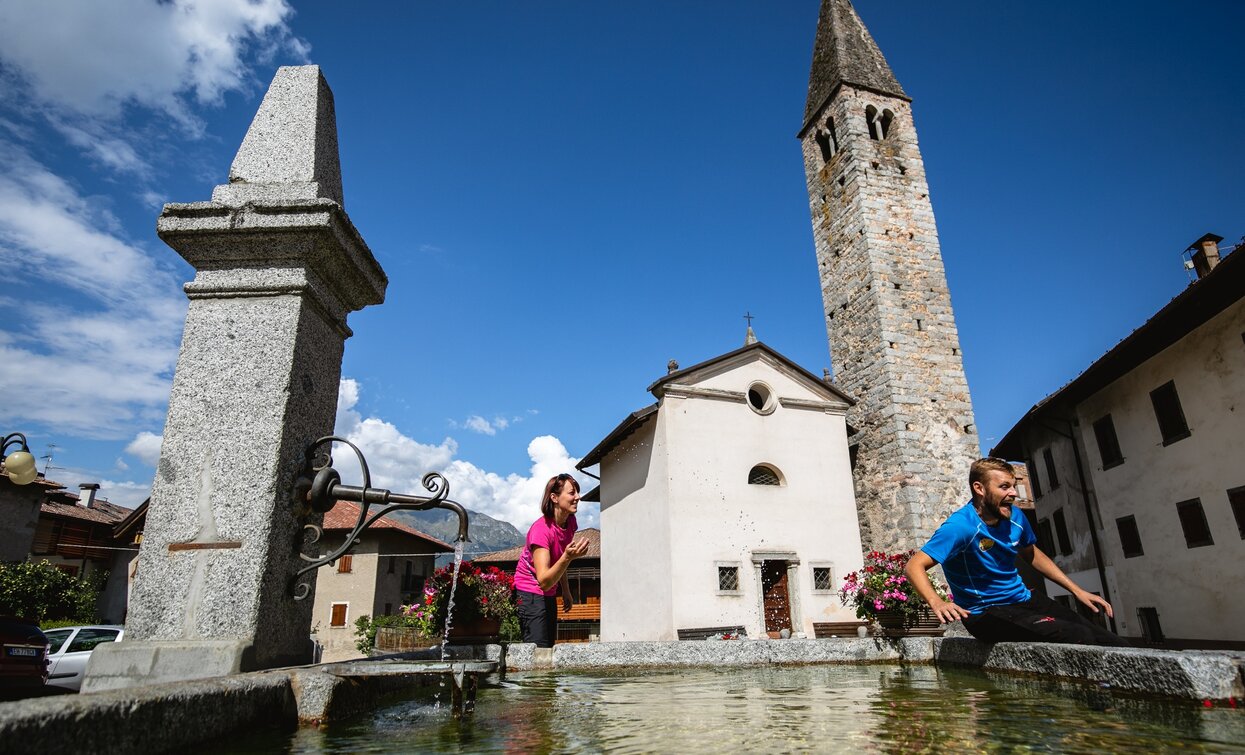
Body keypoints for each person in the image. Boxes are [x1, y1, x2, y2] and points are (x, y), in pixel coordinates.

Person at [905, 457, 1126, 646]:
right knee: (1077, 635)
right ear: (979, 488)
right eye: (1004, 487)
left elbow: (1031, 553)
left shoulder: (1016, 517)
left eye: (1013, 485)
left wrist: (1077, 590)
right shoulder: (961, 527)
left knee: (1109, 640)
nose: (1013, 493)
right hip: (985, 613)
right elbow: (914, 565)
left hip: (1024, 599)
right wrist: (937, 602)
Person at [514, 473, 590, 648]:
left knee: (548, 646)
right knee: (538, 649)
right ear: (554, 498)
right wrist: (568, 557)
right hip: (529, 591)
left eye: (577, 492)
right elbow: (544, 581)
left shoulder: (570, 522)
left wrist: (566, 590)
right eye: (572, 493)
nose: (578, 497)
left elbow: (557, 559)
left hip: (548, 591)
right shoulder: (541, 530)